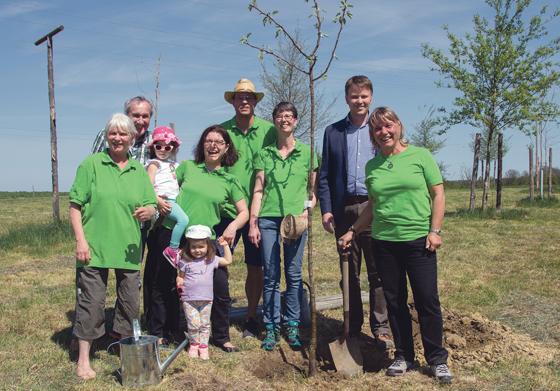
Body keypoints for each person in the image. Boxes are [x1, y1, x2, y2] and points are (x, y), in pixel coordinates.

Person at [339, 107, 452, 384]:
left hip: (418, 240)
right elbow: (373, 206)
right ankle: (404, 355)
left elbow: (437, 193)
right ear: (373, 135)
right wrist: (353, 230)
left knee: (427, 300)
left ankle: (437, 359)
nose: (384, 132)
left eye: (388, 126)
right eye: (378, 129)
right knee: (394, 301)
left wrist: (434, 230)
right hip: (384, 242)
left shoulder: (420, 156)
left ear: (399, 126)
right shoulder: (373, 166)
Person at [144, 125, 248, 351]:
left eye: (218, 142)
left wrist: (231, 227)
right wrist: (157, 199)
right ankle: (161, 332)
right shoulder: (188, 168)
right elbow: (165, 182)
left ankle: (221, 337)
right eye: (208, 141)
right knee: (164, 283)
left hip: (206, 240)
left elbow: (244, 212)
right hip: (175, 234)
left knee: (219, 285)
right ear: (202, 145)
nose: (213, 145)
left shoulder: (229, 181)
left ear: (226, 147)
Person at [69, 113, 157, 379]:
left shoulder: (138, 171)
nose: (118, 138)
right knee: (91, 303)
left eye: (123, 134)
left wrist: (149, 211)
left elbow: (150, 204)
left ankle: (126, 349)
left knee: (130, 303)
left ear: (132, 138)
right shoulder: (91, 165)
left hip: (129, 248)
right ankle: (84, 358)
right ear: (107, 136)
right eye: (113, 133)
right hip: (94, 247)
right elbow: (75, 205)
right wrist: (80, 240)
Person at [318, 75, 391, 347]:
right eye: (354, 96)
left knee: (378, 271)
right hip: (343, 208)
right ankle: (352, 326)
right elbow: (324, 176)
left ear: (370, 97)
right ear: (346, 98)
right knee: (349, 271)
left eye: (364, 96)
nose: (359, 101)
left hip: (374, 207)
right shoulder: (333, 132)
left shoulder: (381, 129)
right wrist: (326, 210)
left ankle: (381, 326)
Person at [248, 102, 317, 351]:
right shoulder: (264, 154)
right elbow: (258, 190)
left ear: (296, 121)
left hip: (295, 220)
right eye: (280, 116)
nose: (284, 119)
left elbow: (312, 189)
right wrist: (253, 222)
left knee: (294, 274)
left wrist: (307, 212)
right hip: (268, 218)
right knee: (270, 274)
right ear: (274, 121)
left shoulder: (308, 153)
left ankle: (292, 325)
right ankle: (271, 326)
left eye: (289, 116)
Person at [220, 78, 277, 338]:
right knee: (217, 264)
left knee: (257, 267)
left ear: (255, 101)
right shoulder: (221, 132)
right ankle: (214, 318)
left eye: (249, 97)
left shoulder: (270, 130)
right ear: (232, 101)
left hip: (258, 211)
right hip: (226, 211)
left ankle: (252, 317)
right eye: (239, 97)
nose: (244, 101)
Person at [174, 225, 233, 360]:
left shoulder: (211, 260)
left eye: (201, 247)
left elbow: (228, 261)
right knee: (193, 324)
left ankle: (203, 346)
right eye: (194, 247)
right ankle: (194, 344)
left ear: (208, 246)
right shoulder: (185, 261)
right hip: (189, 299)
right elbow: (180, 276)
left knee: (205, 324)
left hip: (206, 299)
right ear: (188, 247)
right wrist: (179, 281)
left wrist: (225, 246)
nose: (197, 250)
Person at [145, 126, 190, 264]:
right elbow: (148, 185)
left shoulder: (175, 165)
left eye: (167, 147)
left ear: (173, 148)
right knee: (183, 220)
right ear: (153, 148)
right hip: (165, 200)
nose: (163, 150)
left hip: (175, 200)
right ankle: (173, 249)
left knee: (171, 227)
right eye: (159, 147)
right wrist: (157, 200)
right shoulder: (154, 164)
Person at [91, 96, 154, 165]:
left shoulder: (155, 140)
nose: (140, 121)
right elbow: (93, 164)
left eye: (145, 116)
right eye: (136, 116)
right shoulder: (106, 135)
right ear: (126, 116)